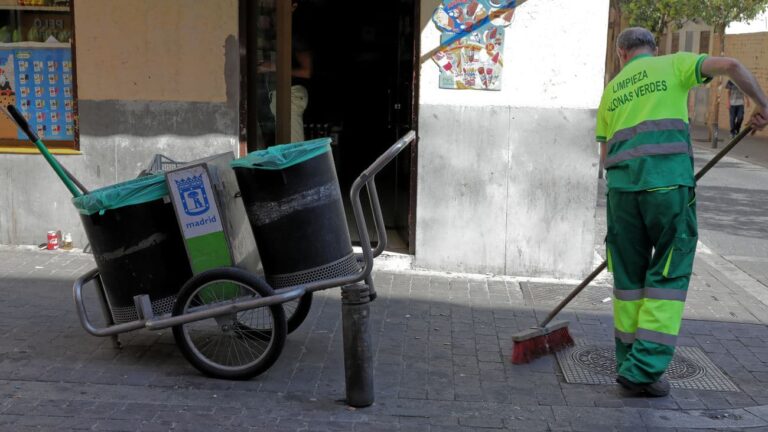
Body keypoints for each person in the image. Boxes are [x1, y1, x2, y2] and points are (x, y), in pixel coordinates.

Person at [596, 27, 768, 397]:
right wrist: (762, 105)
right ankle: (643, 369)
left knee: (628, 281)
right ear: (652, 49)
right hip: (667, 188)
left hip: (622, 196)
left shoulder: (612, 90)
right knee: (668, 274)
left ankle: (629, 361)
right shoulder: (672, 65)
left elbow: (606, 157)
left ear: (621, 54)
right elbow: (733, 65)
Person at [259, 0, 312, 142]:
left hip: (291, 94)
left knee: (292, 149)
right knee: (285, 148)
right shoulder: (280, 32)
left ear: (294, 6)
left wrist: (274, 67)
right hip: (282, 95)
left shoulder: (295, 33)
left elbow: (307, 71)